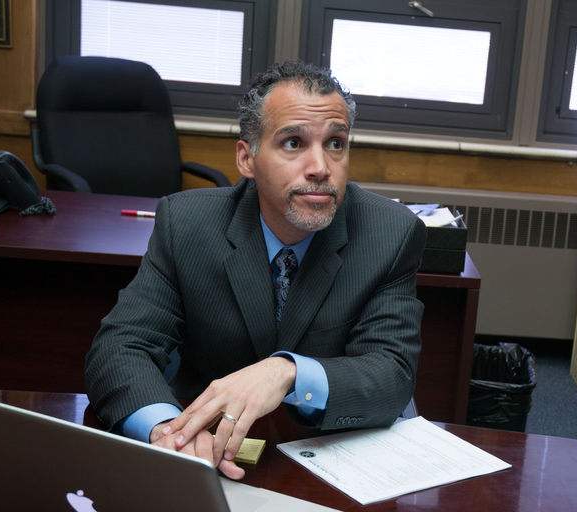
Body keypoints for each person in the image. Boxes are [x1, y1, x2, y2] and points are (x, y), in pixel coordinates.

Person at [84, 61, 427, 480]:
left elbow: (392, 373)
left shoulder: (389, 233)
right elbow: (121, 347)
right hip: (208, 455)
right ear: (247, 158)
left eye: (336, 143)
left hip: (331, 458)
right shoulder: (187, 224)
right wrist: (169, 433)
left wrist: (287, 372)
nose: (321, 167)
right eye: (294, 143)